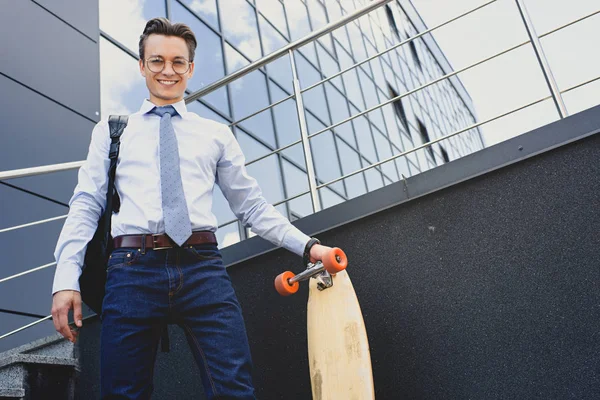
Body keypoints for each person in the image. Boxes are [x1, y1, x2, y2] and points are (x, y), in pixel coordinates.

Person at [51, 17, 332, 399]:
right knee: (122, 393)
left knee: (234, 389)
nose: (168, 70)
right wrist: (66, 278)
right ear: (141, 65)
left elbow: (251, 205)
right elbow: (86, 203)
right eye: (157, 61)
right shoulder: (113, 131)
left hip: (203, 269)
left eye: (178, 62)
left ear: (191, 68)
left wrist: (307, 245)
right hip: (131, 271)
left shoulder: (215, 134)